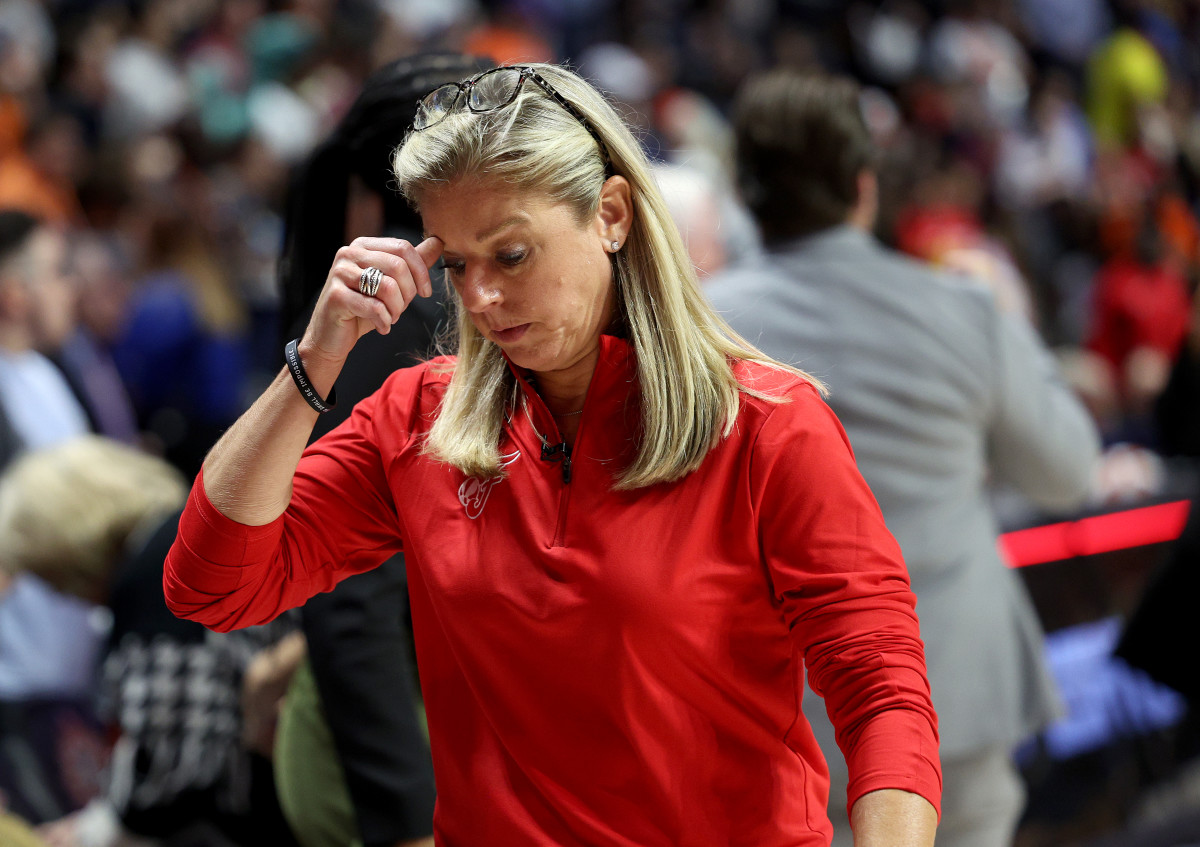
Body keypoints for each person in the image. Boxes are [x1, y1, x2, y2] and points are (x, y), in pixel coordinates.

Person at [164, 62, 941, 846]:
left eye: (510, 256)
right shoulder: (419, 419)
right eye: (457, 265)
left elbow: (881, 689)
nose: (479, 300)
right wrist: (313, 360)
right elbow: (211, 584)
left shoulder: (770, 425)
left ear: (610, 214)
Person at [706, 70, 1101, 847]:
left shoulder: (697, 328)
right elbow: (1068, 471)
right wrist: (1014, 323)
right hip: (956, 689)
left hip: (780, 707)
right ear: (863, 185)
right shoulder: (961, 307)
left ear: (747, 194)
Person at [270, 50, 490, 847]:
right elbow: (353, 594)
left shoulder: (450, 293)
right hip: (391, 768)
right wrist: (404, 814)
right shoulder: (397, 313)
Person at [0, 436, 298, 847]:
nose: (60, 594)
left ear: (63, 549)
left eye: (48, 577)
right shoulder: (187, 533)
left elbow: (172, 766)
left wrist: (92, 833)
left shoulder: (152, 586)